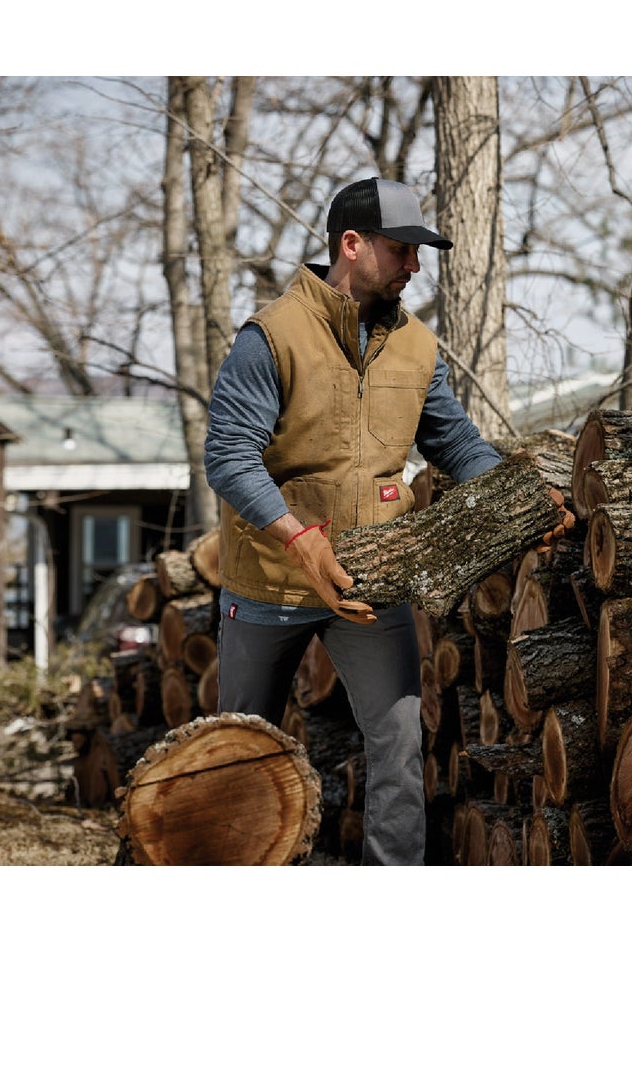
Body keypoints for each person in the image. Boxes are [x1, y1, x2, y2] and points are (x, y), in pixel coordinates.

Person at [204, 176, 566, 865]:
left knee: (400, 747)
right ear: (352, 245)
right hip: (267, 585)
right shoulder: (271, 337)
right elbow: (227, 456)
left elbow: (453, 442)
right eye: (402, 250)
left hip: (372, 585)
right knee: (237, 756)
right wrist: (299, 539)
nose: (415, 265)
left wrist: (521, 497)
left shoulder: (417, 346)